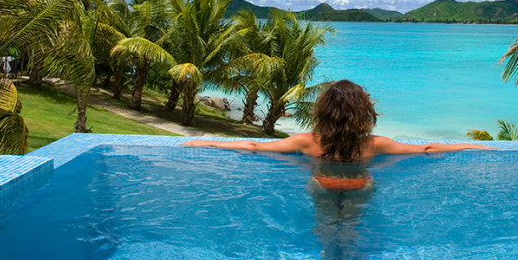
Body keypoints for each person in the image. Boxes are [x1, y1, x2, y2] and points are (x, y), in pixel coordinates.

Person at [182, 79, 497, 189]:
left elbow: (252, 146)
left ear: (322, 113)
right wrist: (473, 146)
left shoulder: (307, 142)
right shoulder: (374, 144)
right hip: (361, 184)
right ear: (364, 113)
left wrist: (206, 141)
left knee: (326, 225)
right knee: (352, 227)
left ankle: (331, 254)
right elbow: (427, 150)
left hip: (321, 182)